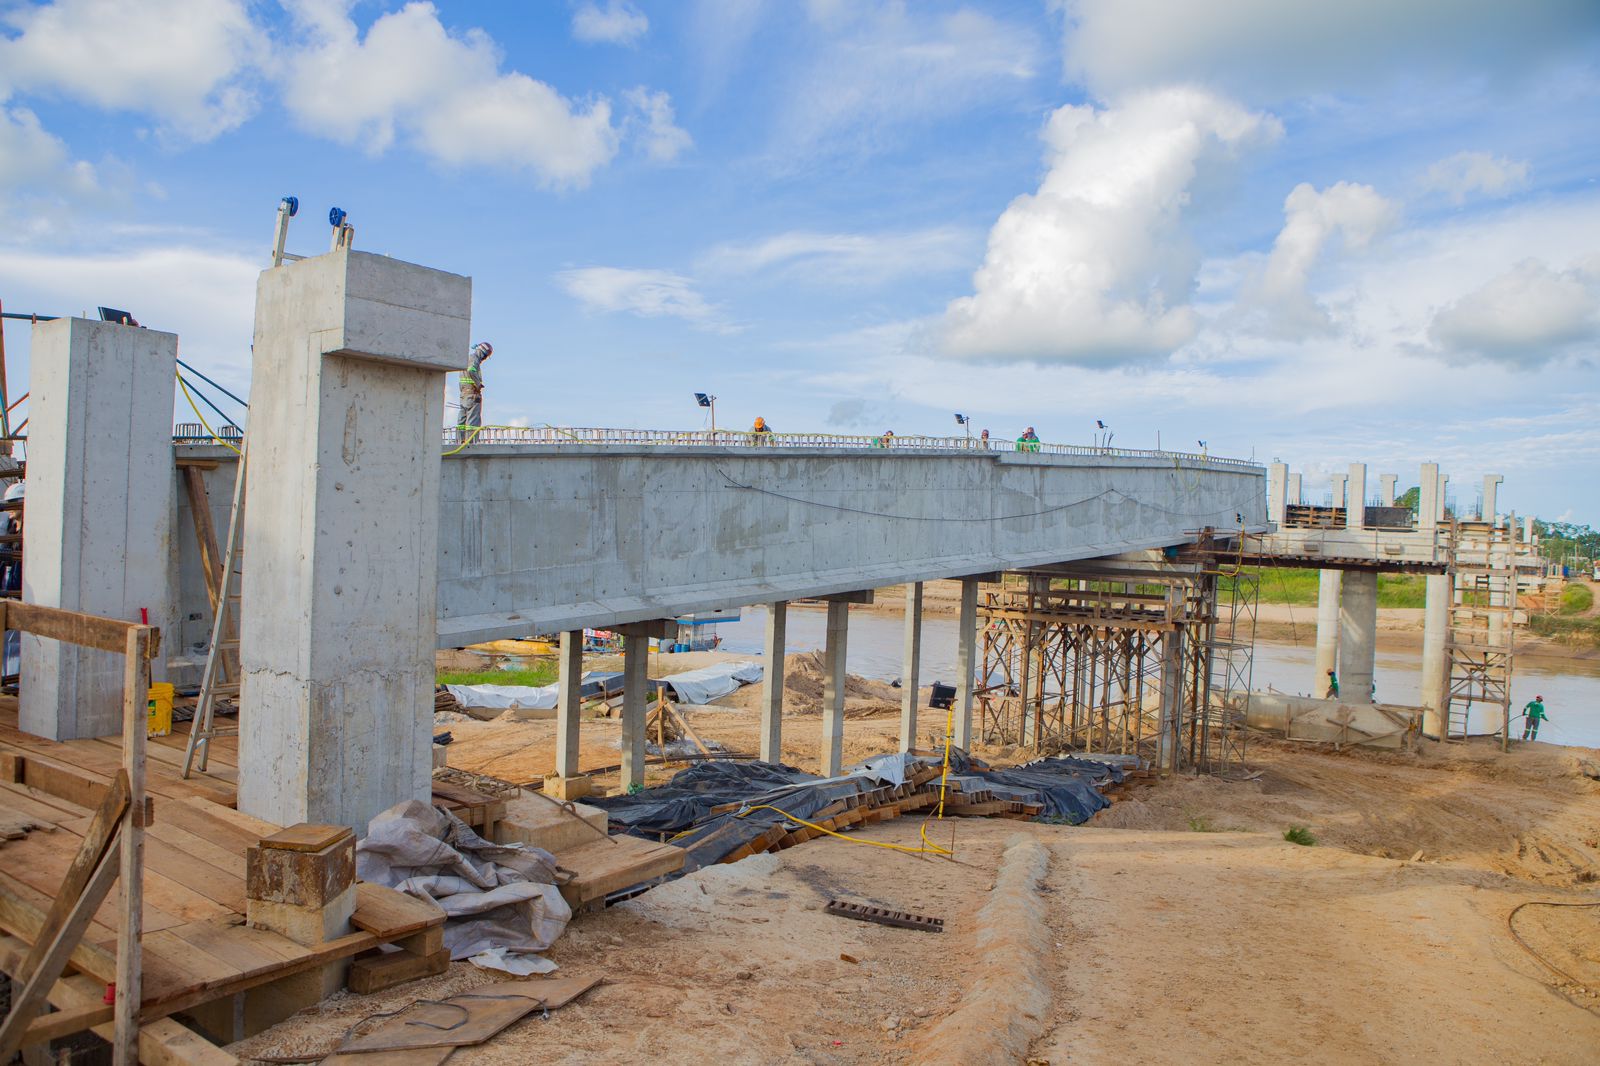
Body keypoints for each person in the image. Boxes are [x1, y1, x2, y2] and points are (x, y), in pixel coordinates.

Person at [457, 341, 493, 431]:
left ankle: (460, 440)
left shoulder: (467, 359)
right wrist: (478, 384)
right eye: (485, 356)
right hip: (472, 394)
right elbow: (471, 371)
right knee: (473, 421)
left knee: (462, 420)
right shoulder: (474, 359)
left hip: (464, 395)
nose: (484, 358)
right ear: (482, 352)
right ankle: (471, 443)